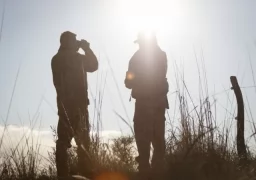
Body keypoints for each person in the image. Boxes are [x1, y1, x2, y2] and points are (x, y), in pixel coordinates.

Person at [51, 31, 98, 178]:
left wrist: (77, 47)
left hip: (64, 107)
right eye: (74, 40)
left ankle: (62, 174)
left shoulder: (56, 58)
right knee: (83, 142)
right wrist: (87, 48)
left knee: (63, 142)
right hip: (79, 108)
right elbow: (94, 65)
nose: (76, 42)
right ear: (68, 42)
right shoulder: (76, 58)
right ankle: (85, 173)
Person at [124, 31, 169, 180]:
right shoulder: (162, 55)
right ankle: (158, 171)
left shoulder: (136, 58)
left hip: (144, 103)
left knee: (143, 139)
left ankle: (145, 171)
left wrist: (132, 79)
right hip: (159, 103)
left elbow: (129, 83)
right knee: (158, 139)